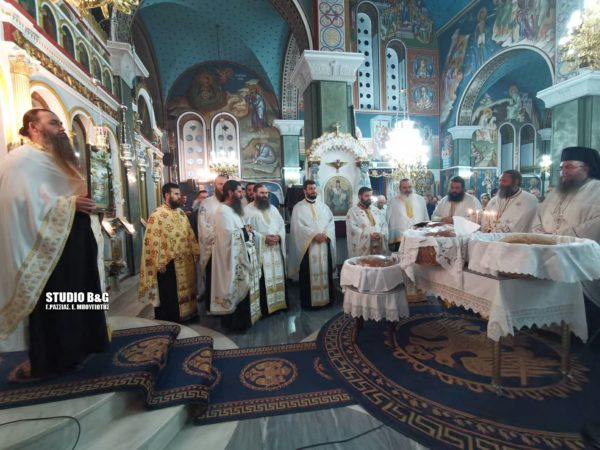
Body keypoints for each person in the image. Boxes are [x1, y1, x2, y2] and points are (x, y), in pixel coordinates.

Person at [0, 108, 109, 377]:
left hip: (76, 239)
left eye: (60, 122)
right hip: (47, 248)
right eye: (53, 122)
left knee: (81, 292)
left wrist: (91, 204)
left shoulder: (60, 159)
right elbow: (18, 203)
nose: (61, 127)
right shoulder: (20, 160)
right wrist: (69, 204)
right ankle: (58, 357)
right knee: (57, 301)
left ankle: (85, 344)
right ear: (33, 127)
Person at [531, 147, 600, 447]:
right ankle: (555, 339)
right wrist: (542, 237)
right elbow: (537, 218)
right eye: (561, 168)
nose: (563, 172)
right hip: (549, 258)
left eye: (569, 167)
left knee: (583, 315)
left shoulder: (597, 190)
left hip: (580, 265)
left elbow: (596, 224)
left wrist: (560, 238)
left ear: (587, 168)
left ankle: (579, 344)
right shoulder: (555, 192)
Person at [139, 183, 200, 323]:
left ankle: (188, 314)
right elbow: (152, 240)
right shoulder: (157, 215)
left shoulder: (180, 213)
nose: (179, 197)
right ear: (167, 195)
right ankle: (171, 319)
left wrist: (195, 250)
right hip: (168, 261)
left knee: (188, 288)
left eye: (179, 194)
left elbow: (189, 232)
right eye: (176, 194)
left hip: (185, 259)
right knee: (170, 292)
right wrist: (158, 261)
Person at [211, 180, 261, 330]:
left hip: (239, 257)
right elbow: (227, 236)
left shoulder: (233, 210)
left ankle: (243, 322)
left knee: (243, 288)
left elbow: (238, 230)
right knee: (234, 288)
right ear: (230, 192)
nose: (242, 195)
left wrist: (246, 229)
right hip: (230, 260)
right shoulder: (222, 211)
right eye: (239, 192)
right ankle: (234, 325)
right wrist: (245, 231)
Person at [288, 180, 336, 308]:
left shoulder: (324, 207)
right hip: (308, 247)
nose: (313, 191)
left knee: (325, 272)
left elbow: (331, 222)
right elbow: (298, 227)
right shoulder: (298, 208)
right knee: (307, 274)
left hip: (324, 245)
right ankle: (309, 304)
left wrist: (326, 234)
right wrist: (314, 234)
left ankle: (327, 300)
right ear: (305, 190)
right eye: (310, 188)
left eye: (314, 188)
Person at [245, 183, 288, 315]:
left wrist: (279, 237)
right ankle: (265, 308)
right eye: (261, 193)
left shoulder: (273, 209)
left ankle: (279, 304)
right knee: (263, 279)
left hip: (275, 250)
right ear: (254, 194)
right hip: (261, 250)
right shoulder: (247, 211)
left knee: (278, 276)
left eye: (266, 193)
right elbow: (247, 231)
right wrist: (263, 238)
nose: (265, 195)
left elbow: (281, 225)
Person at [197, 174, 228, 308]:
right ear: (214, 185)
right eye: (220, 184)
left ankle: (227, 304)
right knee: (212, 277)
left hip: (228, 248)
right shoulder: (207, 203)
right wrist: (219, 238)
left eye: (225, 184)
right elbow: (203, 225)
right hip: (213, 248)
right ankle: (212, 306)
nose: (223, 187)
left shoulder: (232, 203)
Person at [387, 179, 429, 251]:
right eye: (404, 187)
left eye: (409, 187)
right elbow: (389, 220)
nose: (407, 190)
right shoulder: (393, 202)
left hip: (418, 236)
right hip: (400, 238)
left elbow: (425, 217)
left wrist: (427, 233)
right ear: (400, 188)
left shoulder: (420, 199)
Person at [346, 187, 388, 257]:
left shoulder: (376, 210)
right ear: (360, 197)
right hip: (363, 249)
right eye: (366, 196)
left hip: (378, 243)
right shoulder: (352, 212)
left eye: (370, 196)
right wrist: (369, 236)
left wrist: (381, 235)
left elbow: (384, 224)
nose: (369, 198)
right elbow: (352, 229)